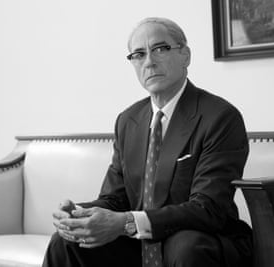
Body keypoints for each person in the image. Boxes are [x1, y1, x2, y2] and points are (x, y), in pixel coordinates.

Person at [42, 17, 252, 267]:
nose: (150, 62)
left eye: (160, 49)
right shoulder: (128, 121)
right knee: (65, 242)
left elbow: (208, 209)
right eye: (139, 54)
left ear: (185, 55)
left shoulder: (220, 117)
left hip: (203, 240)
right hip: (140, 242)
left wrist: (127, 222)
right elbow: (115, 200)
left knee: (185, 247)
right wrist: (79, 215)